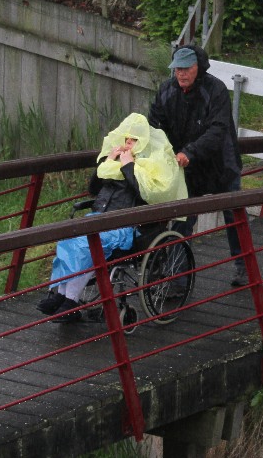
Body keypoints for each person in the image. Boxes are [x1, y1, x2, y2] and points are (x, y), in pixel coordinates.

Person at [36, 113, 187, 321]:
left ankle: (70, 301)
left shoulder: (148, 167)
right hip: (100, 218)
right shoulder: (116, 162)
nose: (128, 143)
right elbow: (93, 189)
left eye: (134, 139)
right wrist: (108, 161)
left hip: (127, 226)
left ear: (144, 142)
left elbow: (146, 194)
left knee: (88, 246)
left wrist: (129, 166)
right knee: (69, 239)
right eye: (127, 138)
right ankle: (61, 295)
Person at [148, 44, 248, 287]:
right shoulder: (166, 91)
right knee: (182, 220)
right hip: (188, 168)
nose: (181, 73)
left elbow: (218, 129)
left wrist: (190, 151)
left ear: (198, 67)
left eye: (187, 68)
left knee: (234, 216)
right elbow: (154, 125)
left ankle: (244, 265)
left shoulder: (216, 90)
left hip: (220, 163)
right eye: (178, 69)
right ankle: (178, 280)